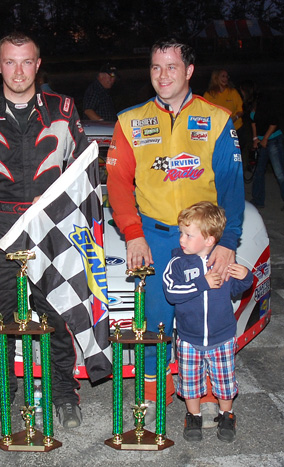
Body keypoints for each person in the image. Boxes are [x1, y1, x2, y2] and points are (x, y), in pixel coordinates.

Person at [106, 38, 244, 429]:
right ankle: (154, 393)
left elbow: (232, 186)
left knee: (207, 315)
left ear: (189, 71)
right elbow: (117, 183)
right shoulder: (130, 120)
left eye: (171, 67)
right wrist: (133, 234)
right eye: (155, 67)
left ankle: (211, 393)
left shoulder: (216, 118)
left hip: (207, 241)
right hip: (155, 236)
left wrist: (228, 243)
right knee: (155, 318)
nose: (162, 75)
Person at [0, 32, 89, 428]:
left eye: (26, 61)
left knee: (57, 317)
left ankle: (64, 393)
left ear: (38, 64)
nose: (18, 71)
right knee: (1, 322)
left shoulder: (64, 109)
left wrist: (69, 218)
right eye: (10, 62)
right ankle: (1, 394)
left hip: (50, 228)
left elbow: (83, 172)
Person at [163, 201, 253, 442]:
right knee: (190, 382)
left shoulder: (222, 263)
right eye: (181, 233)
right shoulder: (178, 263)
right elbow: (171, 292)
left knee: (225, 381)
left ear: (210, 240)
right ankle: (193, 416)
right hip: (189, 338)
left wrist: (246, 278)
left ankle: (227, 414)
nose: (181, 239)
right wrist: (202, 283)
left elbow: (237, 289)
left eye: (188, 235)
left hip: (222, 337)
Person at [239, 81, 284, 210]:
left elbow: (274, 122)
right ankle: (258, 200)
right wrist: (255, 139)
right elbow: (253, 122)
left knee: (279, 173)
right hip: (261, 140)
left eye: (242, 91)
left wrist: (265, 139)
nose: (241, 94)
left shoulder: (264, 103)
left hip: (274, 139)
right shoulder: (249, 104)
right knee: (258, 171)